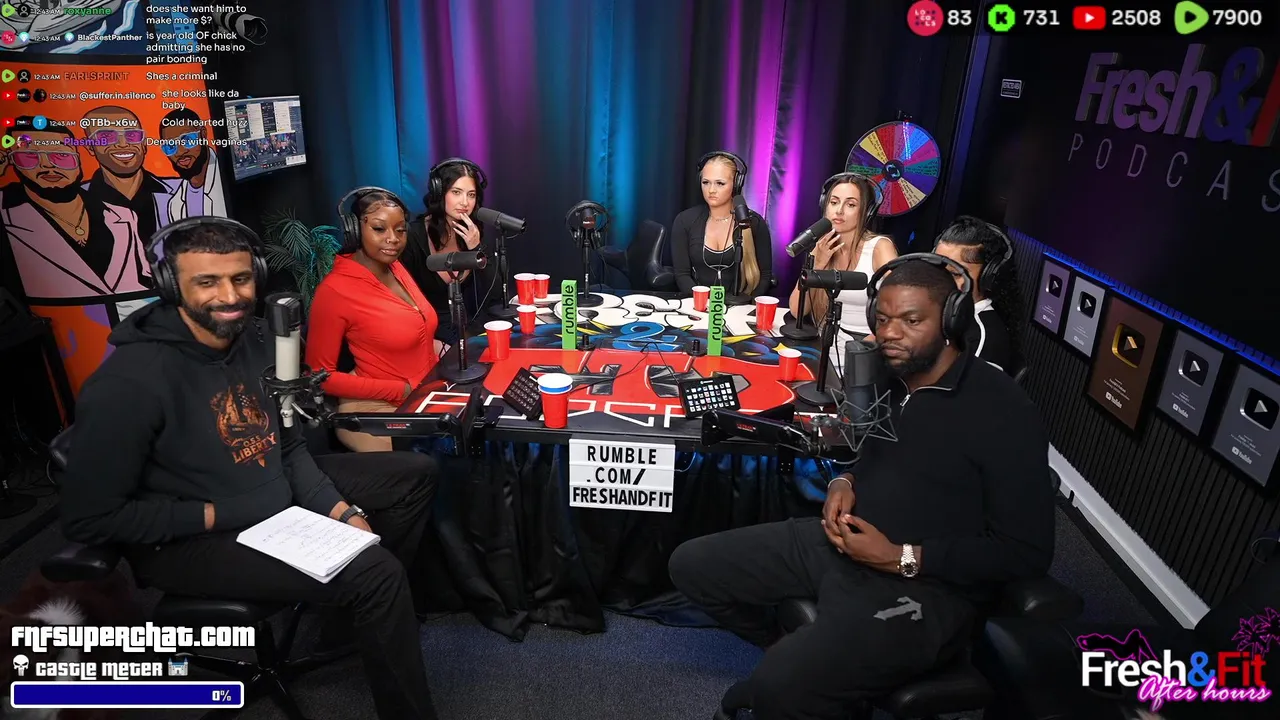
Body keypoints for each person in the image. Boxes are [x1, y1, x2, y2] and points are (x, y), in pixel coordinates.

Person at [59, 216, 441, 720]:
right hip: (191, 540)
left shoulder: (259, 340)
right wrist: (222, 513)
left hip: (269, 495)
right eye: (207, 282)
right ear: (171, 286)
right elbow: (89, 519)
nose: (229, 296)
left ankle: (350, 616)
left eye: (240, 279)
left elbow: (287, 447)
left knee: (413, 475)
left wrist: (341, 512)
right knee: (378, 575)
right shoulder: (128, 383)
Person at [670, 256, 1054, 720]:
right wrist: (844, 479)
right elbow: (871, 450)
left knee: (778, 687)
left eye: (912, 320)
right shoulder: (892, 378)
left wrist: (899, 557)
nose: (891, 333)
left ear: (951, 321)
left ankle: (796, 677)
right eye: (884, 319)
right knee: (691, 565)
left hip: (926, 586)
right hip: (842, 544)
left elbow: (1026, 552)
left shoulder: (1002, 409)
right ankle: (798, 660)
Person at [307, 189, 441, 452]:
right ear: (354, 231)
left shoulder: (394, 267)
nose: (393, 239)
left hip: (424, 394)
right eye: (379, 229)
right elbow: (319, 377)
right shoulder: (334, 291)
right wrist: (401, 390)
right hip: (378, 405)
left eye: (400, 230)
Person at [1, 121, 148, 299]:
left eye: (61, 155)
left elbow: (145, 278)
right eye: (29, 156)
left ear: (77, 158)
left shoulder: (123, 214)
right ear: (11, 161)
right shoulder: (7, 213)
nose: (47, 165)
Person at [788, 173, 897, 337]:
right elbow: (797, 311)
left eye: (850, 205)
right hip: (825, 343)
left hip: (866, 344)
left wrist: (875, 340)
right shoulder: (821, 247)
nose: (839, 211)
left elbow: (903, 304)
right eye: (834, 202)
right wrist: (818, 265)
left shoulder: (880, 247)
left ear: (866, 212)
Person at [400, 158, 495, 344]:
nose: (465, 202)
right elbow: (402, 300)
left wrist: (476, 248)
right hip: (427, 331)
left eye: (471, 195)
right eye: (456, 192)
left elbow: (494, 292)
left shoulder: (473, 232)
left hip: (468, 329)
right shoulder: (413, 235)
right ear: (439, 193)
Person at [671, 151, 773, 299]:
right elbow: (682, 275)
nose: (711, 190)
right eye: (706, 182)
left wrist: (746, 305)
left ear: (736, 184)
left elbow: (764, 277)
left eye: (720, 183)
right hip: (698, 306)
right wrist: (706, 304)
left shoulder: (753, 223)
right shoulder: (684, 221)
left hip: (742, 307)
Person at [931, 216, 1022, 375]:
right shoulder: (938, 306)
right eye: (936, 268)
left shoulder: (984, 339)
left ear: (988, 277)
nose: (941, 280)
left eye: (955, 274)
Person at [81, 105, 178, 244]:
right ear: (90, 147)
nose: (123, 144)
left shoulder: (182, 190)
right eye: (107, 137)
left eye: (132, 135)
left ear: (144, 143)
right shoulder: (76, 200)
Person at [158, 108, 228, 220]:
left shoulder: (228, 178)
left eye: (187, 140)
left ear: (203, 134)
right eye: (170, 146)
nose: (180, 152)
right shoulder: (174, 206)